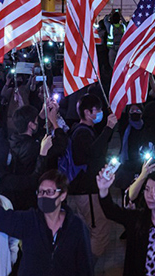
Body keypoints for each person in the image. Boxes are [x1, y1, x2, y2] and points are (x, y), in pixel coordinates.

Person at [0, 169, 94, 276]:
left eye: (49, 192)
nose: (44, 196)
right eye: (41, 192)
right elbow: (3, 218)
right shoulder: (30, 220)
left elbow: (85, 266)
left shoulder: (76, 227)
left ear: (63, 195)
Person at [96, 163, 155, 276]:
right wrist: (103, 190)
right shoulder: (137, 218)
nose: (150, 195)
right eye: (147, 189)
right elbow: (111, 212)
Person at [62, 92, 118, 258]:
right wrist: (108, 128)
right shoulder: (82, 133)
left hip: (86, 190)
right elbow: (92, 154)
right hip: (87, 191)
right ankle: (87, 268)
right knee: (100, 232)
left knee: (90, 229)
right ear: (87, 112)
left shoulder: (84, 130)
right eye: (97, 110)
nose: (99, 113)